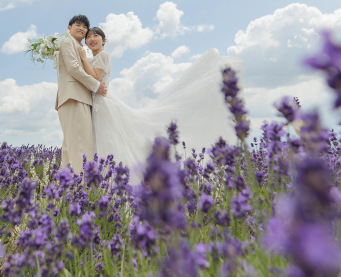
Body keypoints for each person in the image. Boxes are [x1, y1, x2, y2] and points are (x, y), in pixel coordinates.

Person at [78, 26, 241, 182]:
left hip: (104, 102)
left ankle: (116, 179)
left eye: (96, 35)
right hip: (96, 101)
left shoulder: (103, 55)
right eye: (89, 37)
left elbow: (96, 78)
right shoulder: (92, 59)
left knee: (110, 140)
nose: (92, 39)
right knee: (104, 139)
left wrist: (83, 59)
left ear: (104, 40)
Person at [55, 15, 108, 174]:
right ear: (69, 28)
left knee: (71, 146)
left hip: (76, 97)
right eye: (78, 25)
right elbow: (73, 68)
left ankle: (66, 186)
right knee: (81, 144)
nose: (82, 29)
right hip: (75, 97)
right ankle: (82, 185)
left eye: (85, 27)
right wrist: (96, 85)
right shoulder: (67, 41)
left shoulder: (79, 48)